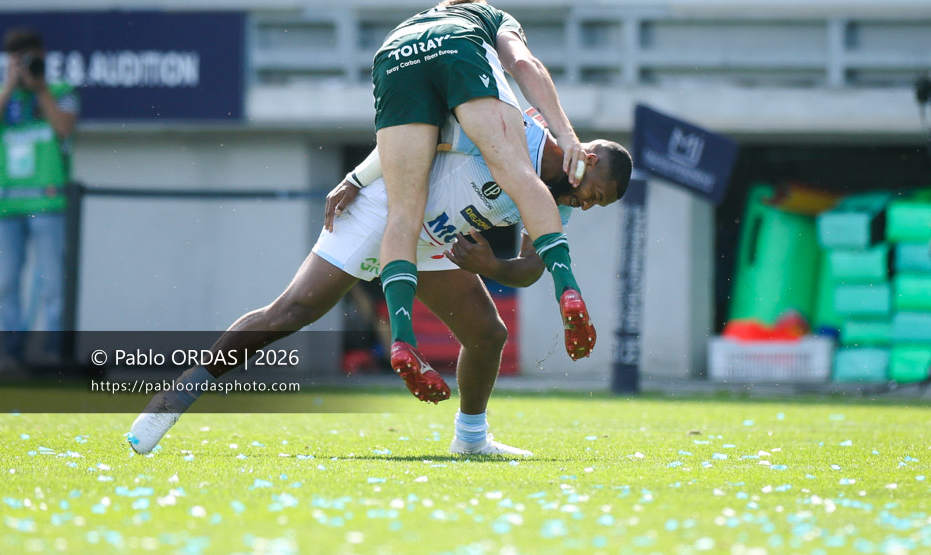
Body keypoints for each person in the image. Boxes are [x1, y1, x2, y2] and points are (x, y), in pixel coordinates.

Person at [128, 112, 630, 456]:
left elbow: (531, 268)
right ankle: (172, 401)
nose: (588, 203)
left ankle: (471, 438)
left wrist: (490, 266)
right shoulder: (516, 128)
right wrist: (360, 175)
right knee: (293, 312)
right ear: (584, 158)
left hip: (435, 239)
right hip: (386, 207)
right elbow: (422, 125)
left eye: (599, 204)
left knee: (488, 334)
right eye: (596, 193)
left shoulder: (562, 192)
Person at [368, 0, 596, 406]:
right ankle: (570, 287)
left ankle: (403, 339)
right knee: (520, 175)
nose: (587, 202)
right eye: (595, 195)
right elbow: (524, 64)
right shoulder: (490, 17)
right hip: (459, 47)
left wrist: (353, 176)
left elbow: (405, 144)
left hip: (392, 52)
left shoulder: (416, 25)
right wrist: (566, 133)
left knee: (402, 214)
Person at [0, 28, 78, 370]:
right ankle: (10, 354)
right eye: (19, 61)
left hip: (48, 206)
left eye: (32, 60)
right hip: (6, 207)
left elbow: (64, 128)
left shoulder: (61, 92)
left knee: (54, 285)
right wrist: (9, 86)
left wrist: (39, 90)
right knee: (4, 284)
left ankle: (55, 354)